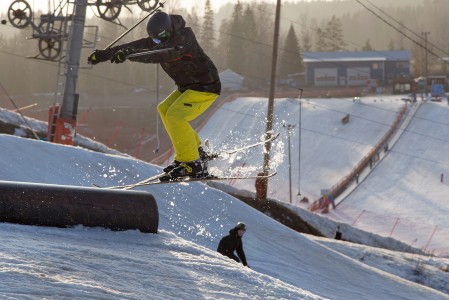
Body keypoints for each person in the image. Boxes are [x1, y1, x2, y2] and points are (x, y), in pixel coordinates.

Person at [87, 11, 221, 180]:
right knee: (164, 109)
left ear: (168, 31)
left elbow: (160, 54)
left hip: (205, 87)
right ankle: (197, 152)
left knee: (175, 117)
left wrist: (129, 55)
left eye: (160, 39)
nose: (157, 42)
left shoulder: (182, 40)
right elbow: (138, 46)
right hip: (188, 87)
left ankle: (192, 163)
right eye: (155, 40)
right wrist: (104, 55)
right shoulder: (162, 38)